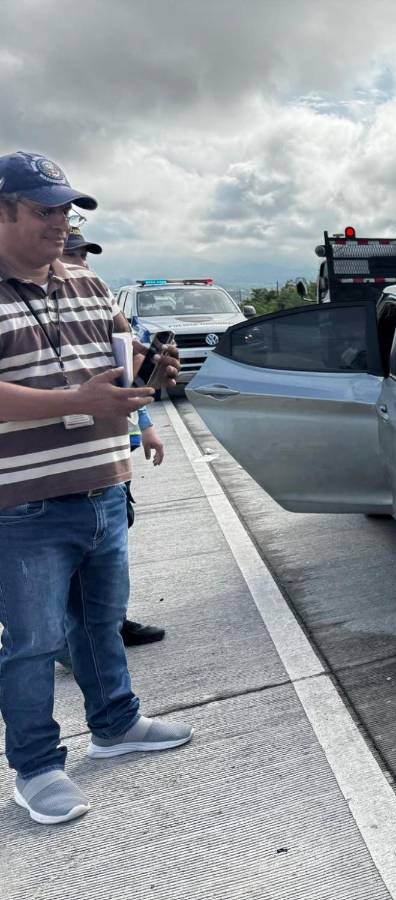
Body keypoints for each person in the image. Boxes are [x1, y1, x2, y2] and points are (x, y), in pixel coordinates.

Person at [0, 150, 193, 825]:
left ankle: (115, 725)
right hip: (23, 509)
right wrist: (72, 401)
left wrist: (150, 367)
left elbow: (120, 358)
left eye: (66, 210)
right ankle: (35, 769)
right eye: (44, 209)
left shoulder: (88, 283)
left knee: (99, 623)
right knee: (33, 643)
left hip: (104, 491)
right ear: (3, 211)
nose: (60, 222)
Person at [60, 228, 167, 646]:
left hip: (110, 454)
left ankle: (108, 622)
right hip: (56, 469)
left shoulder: (98, 305)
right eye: (74, 255)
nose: (81, 263)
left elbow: (126, 377)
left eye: (84, 255)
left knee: (115, 531)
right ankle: (70, 636)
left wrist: (146, 425)